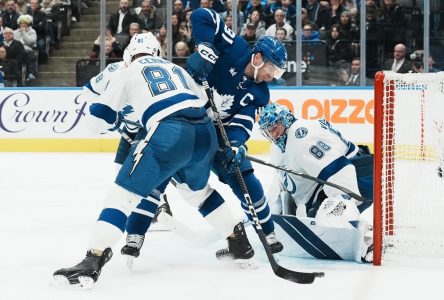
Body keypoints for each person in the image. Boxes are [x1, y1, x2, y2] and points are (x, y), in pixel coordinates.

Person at [53, 32, 220, 288]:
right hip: (152, 130)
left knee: (127, 190)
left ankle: (116, 243)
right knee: (141, 185)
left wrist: (110, 117)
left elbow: (92, 108)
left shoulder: (125, 69)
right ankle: (138, 228)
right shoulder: (155, 68)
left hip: (154, 129)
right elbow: (89, 92)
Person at [122, 8, 288, 263]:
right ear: (258, 58)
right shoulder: (235, 48)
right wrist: (206, 46)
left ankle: (268, 233)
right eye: (272, 70)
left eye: (276, 73)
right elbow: (201, 15)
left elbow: (242, 122)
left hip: (218, 136)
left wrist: (234, 145)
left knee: (244, 176)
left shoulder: (260, 94)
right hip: (183, 117)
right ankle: (135, 234)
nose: (272, 77)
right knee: (159, 170)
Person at [258, 102, 374, 263]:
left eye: (275, 129)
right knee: (307, 216)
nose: (273, 135)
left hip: (360, 175)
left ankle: (368, 239)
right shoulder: (281, 145)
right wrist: (267, 212)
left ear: (285, 121)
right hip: (338, 178)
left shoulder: (300, 137)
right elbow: (282, 181)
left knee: (321, 220)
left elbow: (340, 170)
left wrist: (342, 205)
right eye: (268, 132)